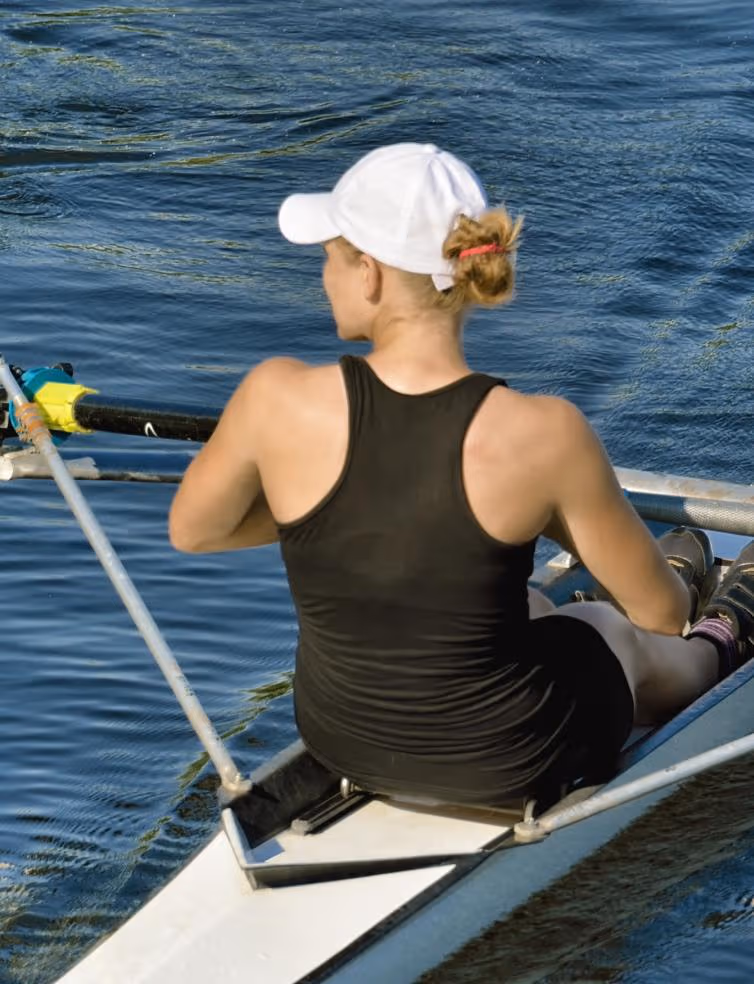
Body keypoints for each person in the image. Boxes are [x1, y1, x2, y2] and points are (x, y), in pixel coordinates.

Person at [169, 142, 754, 808]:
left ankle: (666, 605)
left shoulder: (273, 396)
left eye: (329, 258)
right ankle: (722, 637)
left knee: (533, 606)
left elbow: (195, 530)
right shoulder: (543, 434)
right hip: (513, 758)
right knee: (616, 631)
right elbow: (660, 613)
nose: (323, 277)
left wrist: (353, 510)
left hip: (339, 738)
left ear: (369, 274)